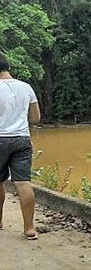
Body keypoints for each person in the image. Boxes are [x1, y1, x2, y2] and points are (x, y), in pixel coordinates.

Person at [0, 53, 41, 240]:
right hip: (22, 139)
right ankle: (29, 228)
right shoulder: (26, 87)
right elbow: (35, 118)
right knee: (23, 183)